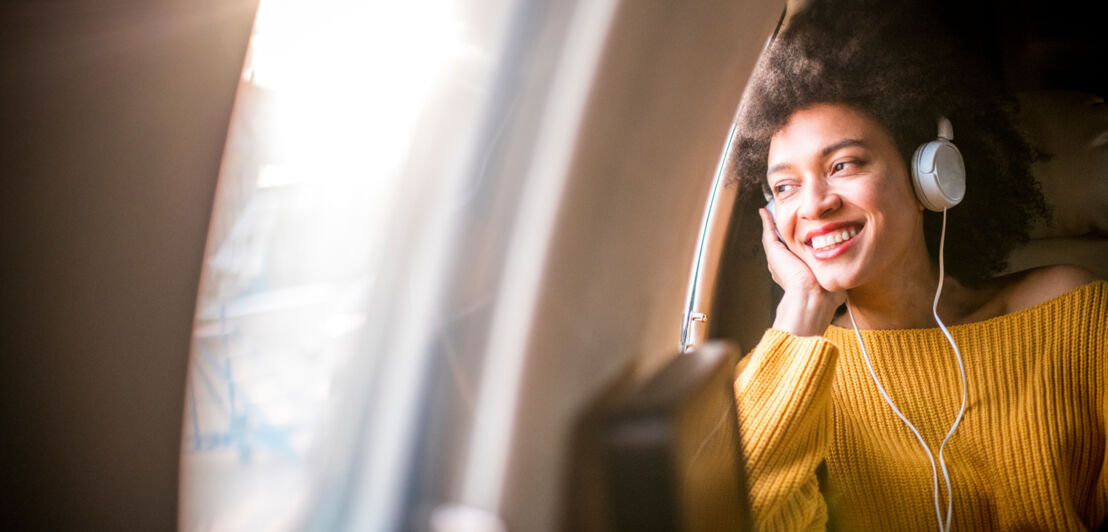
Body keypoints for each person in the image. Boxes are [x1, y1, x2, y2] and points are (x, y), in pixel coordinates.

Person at [731, 2, 1107, 530]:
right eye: (785, 186)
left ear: (929, 175)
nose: (813, 205)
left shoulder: (1072, 311)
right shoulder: (789, 375)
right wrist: (801, 310)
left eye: (843, 164)